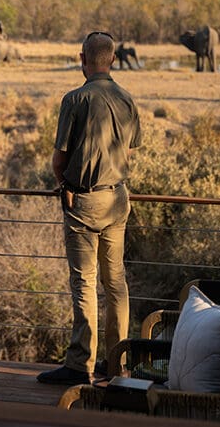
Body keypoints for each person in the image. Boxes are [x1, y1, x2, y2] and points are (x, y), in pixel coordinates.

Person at [37, 31, 142, 386]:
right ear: (112, 59)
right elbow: (128, 153)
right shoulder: (127, 99)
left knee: (84, 283)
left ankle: (80, 363)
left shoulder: (75, 99)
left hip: (83, 202)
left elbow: (59, 159)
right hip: (117, 199)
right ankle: (117, 365)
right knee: (116, 284)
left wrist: (65, 183)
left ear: (82, 58)